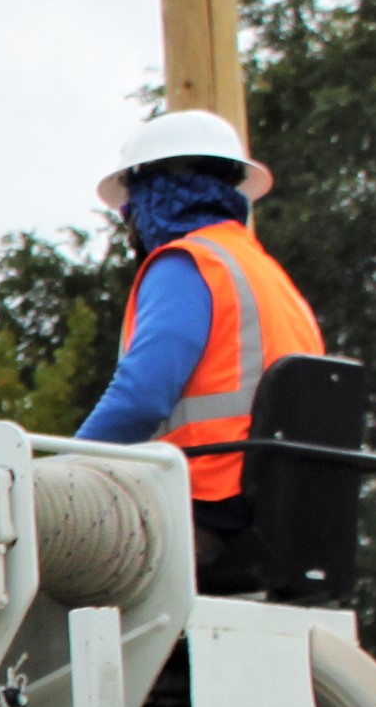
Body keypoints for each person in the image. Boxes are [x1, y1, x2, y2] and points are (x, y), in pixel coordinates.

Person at [74, 107, 323, 580]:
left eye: (130, 210)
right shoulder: (267, 273)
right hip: (286, 511)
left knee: (45, 563)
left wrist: (56, 473)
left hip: (208, 502)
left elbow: (139, 399)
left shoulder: (187, 264)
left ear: (152, 199)